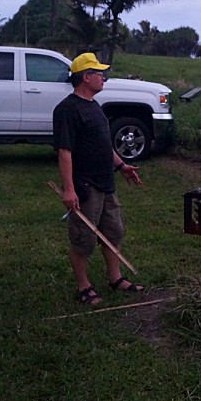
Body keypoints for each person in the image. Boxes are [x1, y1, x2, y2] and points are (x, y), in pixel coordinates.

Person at [53, 52, 145, 304]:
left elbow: (104, 145)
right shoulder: (67, 110)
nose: (103, 77)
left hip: (106, 182)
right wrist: (69, 189)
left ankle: (115, 278)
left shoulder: (94, 106)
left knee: (113, 232)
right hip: (85, 185)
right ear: (85, 77)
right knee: (84, 238)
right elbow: (64, 150)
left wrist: (121, 165)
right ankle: (84, 287)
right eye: (99, 73)